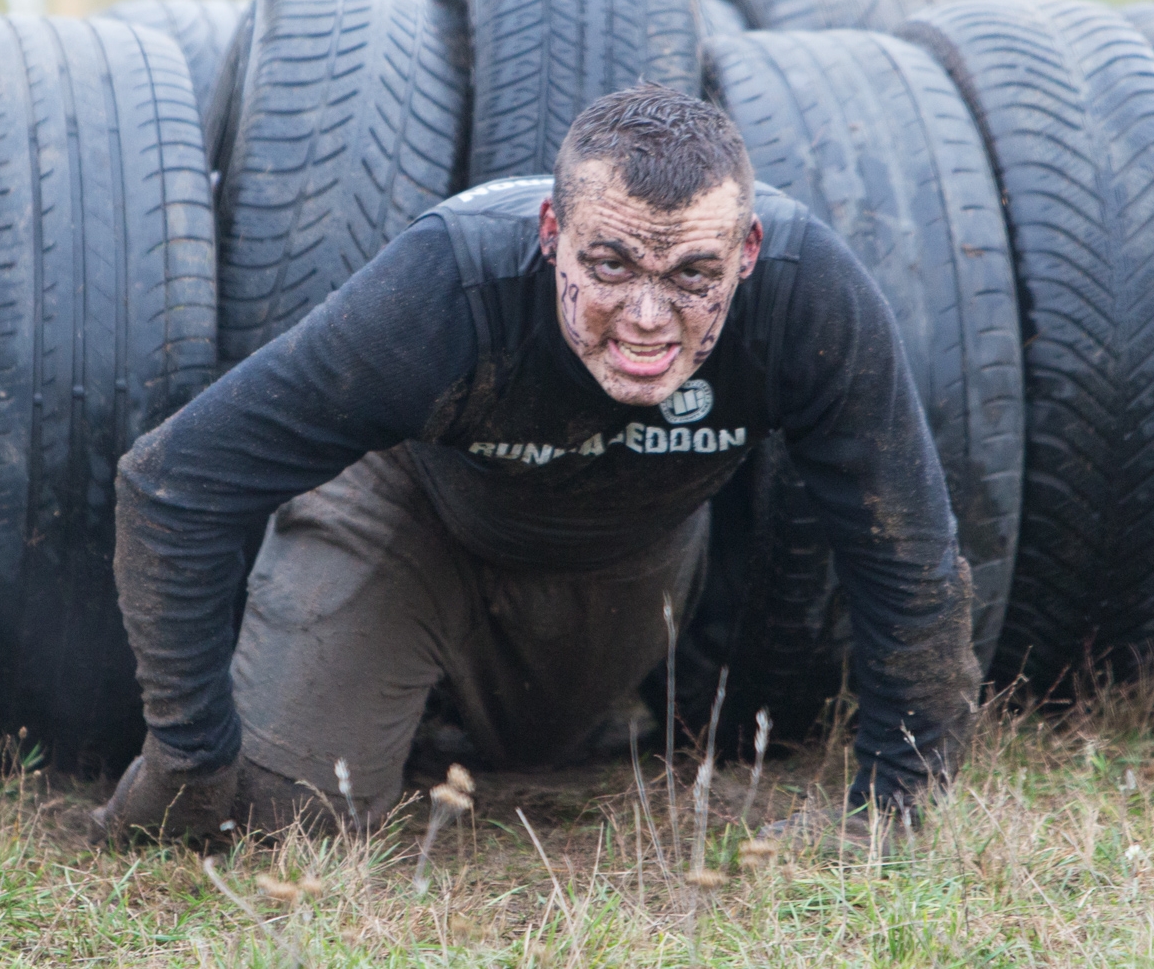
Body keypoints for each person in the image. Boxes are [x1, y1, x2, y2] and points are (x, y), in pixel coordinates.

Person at [91, 83, 980, 842]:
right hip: (414, 521)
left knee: (539, 762)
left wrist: (897, 802)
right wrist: (190, 755)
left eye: (692, 277)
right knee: (287, 821)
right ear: (550, 231)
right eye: (609, 263)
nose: (645, 317)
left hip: (622, 551)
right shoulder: (447, 288)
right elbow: (174, 480)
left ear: (745, 256)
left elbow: (905, 550)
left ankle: (435, 710)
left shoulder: (808, 296)